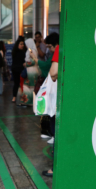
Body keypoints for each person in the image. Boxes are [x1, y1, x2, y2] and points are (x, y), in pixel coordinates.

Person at [41, 32, 59, 177]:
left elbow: (53, 72)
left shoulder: (60, 49)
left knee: (56, 133)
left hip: (57, 101)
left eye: (49, 47)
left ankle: (55, 168)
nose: (49, 49)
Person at [17, 38, 40, 106]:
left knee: (29, 86)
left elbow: (34, 61)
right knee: (30, 86)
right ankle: (29, 101)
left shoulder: (32, 51)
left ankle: (28, 101)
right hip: (31, 71)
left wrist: (26, 64)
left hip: (31, 71)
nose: (26, 45)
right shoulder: (32, 50)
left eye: (26, 44)